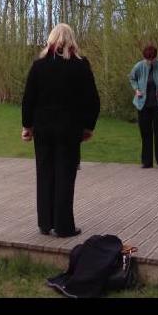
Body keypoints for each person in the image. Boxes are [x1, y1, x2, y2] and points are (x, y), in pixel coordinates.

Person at [21, 23, 100, 238]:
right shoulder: (81, 66)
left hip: (44, 128)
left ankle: (45, 223)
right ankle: (64, 225)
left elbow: (29, 98)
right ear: (72, 40)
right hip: (69, 128)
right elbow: (92, 100)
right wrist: (88, 126)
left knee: (45, 172)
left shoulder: (39, 66)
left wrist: (27, 126)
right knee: (65, 174)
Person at [129, 45, 158, 170]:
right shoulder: (139, 66)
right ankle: (146, 161)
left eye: (152, 59)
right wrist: (136, 89)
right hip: (143, 105)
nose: (149, 61)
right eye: (147, 59)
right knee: (145, 132)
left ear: (156, 57)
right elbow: (132, 78)